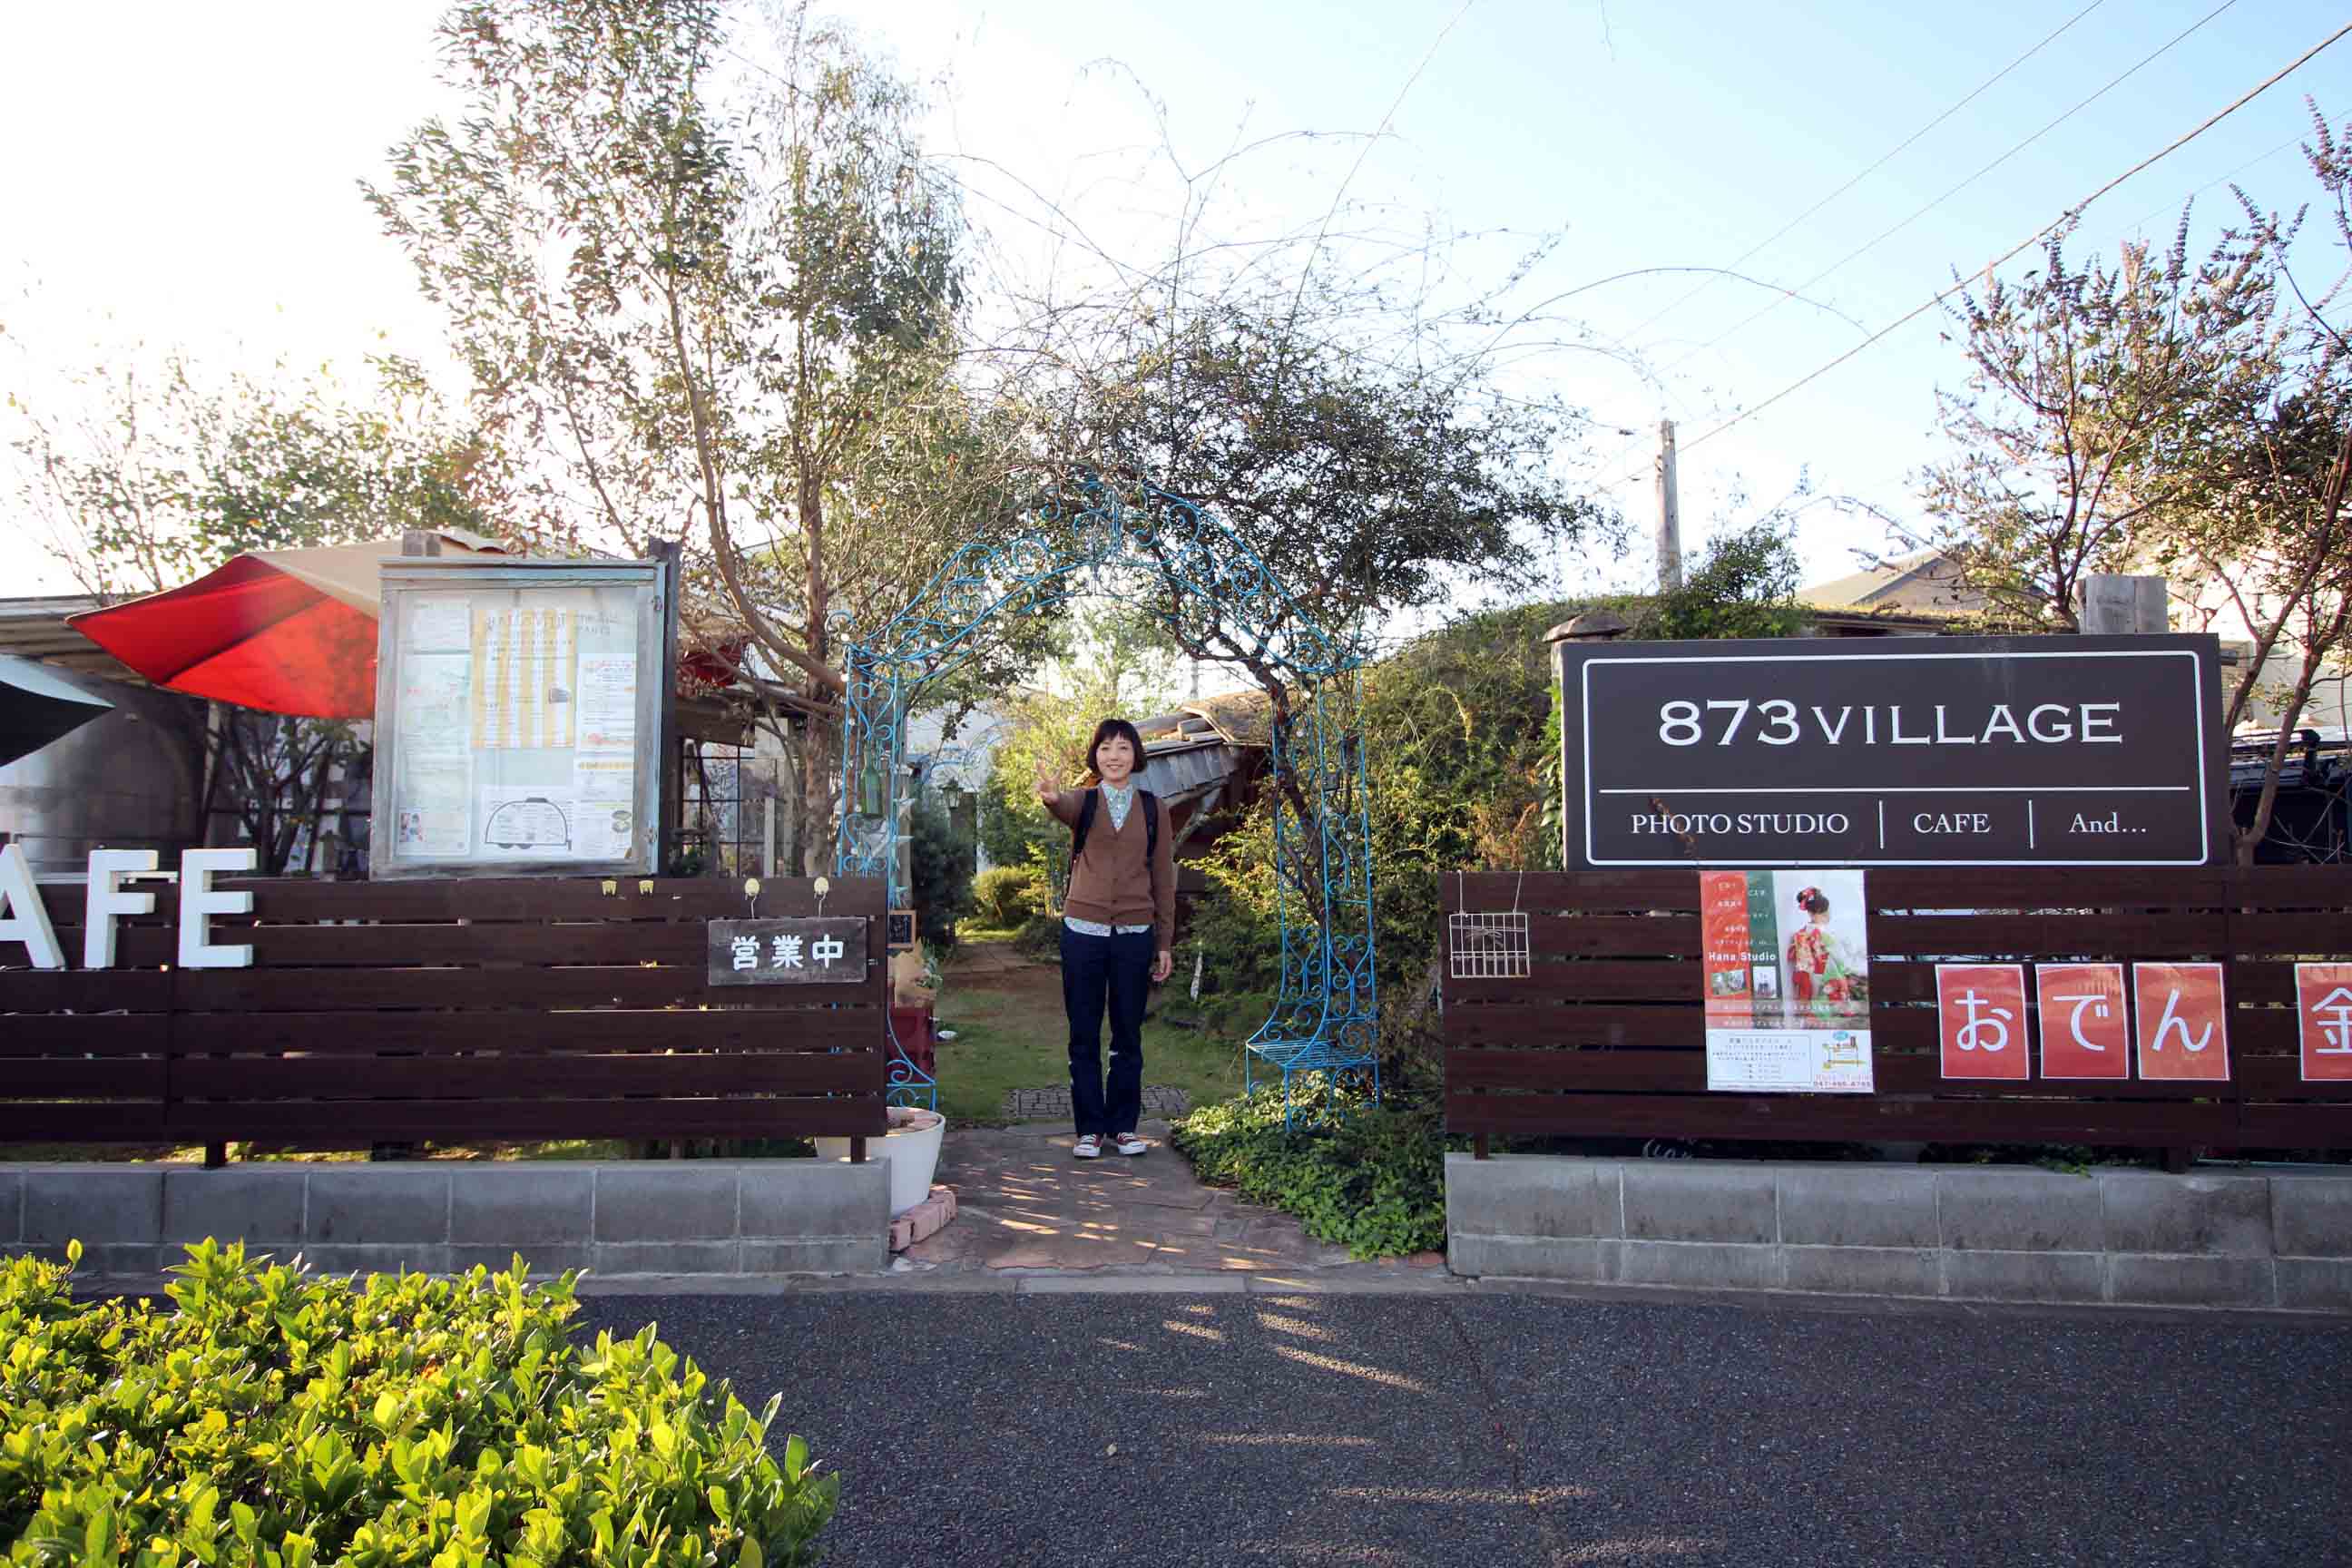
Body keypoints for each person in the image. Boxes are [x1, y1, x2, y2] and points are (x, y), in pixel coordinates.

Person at [1034, 718, 1176, 1159]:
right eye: (1106, 748)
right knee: (1083, 1033)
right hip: (1083, 934)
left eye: (1123, 748)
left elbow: (1163, 878)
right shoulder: (1087, 802)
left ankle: (1124, 1128)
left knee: (1127, 1034)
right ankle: (1090, 1130)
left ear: (1136, 756)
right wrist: (1051, 796)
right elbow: (1063, 805)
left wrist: (1165, 941)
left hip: (1135, 935)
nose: (1114, 756)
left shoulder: (1155, 809)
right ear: (1095, 756)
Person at [1784, 884, 1866, 1026]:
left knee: (1816, 1006)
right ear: (1812, 914)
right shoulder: (1826, 935)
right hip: (1828, 974)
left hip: (1810, 977)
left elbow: (1800, 962)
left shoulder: (1802, 934)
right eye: (1824, 913)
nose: (1827, 915)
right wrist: (1849, 969)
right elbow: (1841, 957)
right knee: (1829, 1007)